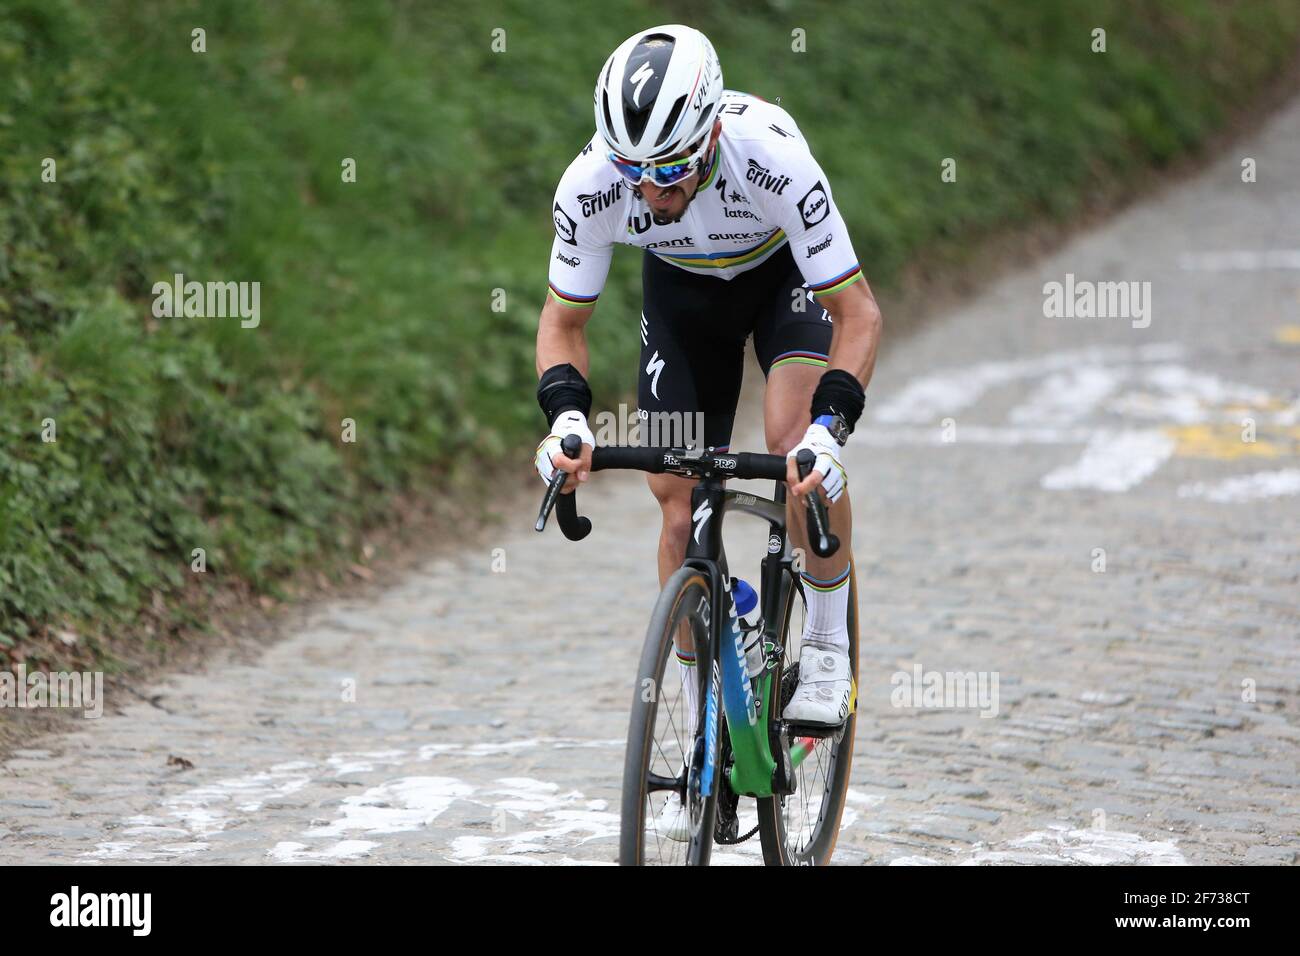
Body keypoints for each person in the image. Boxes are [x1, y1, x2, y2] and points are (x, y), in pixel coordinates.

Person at [534, 25, 883, 833]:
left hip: (782, 281)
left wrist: (834, 429)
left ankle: (827, 646)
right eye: (634, 173)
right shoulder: (593, 182)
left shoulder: (772, 156)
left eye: (669, 171)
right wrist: (568, 420)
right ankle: (702, 731)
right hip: (684, 302)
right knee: (673, 490)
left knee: (793, 438)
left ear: (711, 134)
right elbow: (562, 323)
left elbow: (858, 313)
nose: (650, 192)